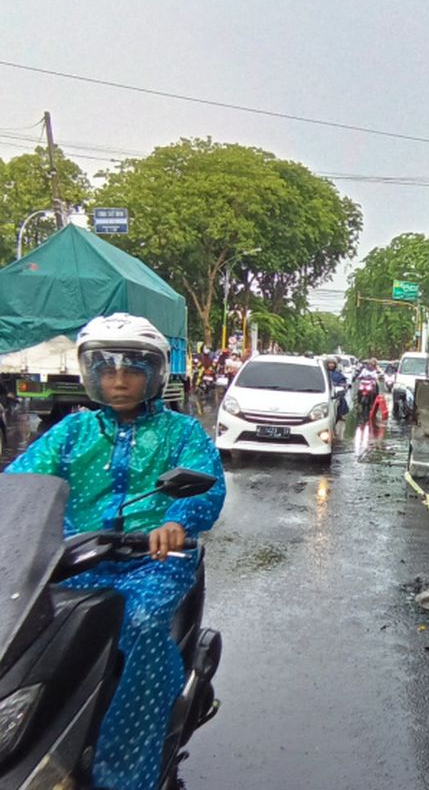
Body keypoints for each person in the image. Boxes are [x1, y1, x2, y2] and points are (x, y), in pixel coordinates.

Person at [4, 313, 226, 790]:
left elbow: (206, 490)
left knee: (141, 622)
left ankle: (127, 770)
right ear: (92, 374)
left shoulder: (180, 433)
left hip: (152, 564)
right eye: (107, 370)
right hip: (71, 561)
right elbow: (22, 483)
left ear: (154, 374)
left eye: (131, 369)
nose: (119, 380)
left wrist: (175, 523)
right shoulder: (72, 432)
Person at [325, 356, 349, 421]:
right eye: (329, 363)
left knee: (341, 399)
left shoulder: (338, 374)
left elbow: (343, 382)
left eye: (332, 363)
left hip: (335, 392)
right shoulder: (323, 372)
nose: (331, 365)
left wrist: (341, 385)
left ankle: (340, 414)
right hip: (324, 391)